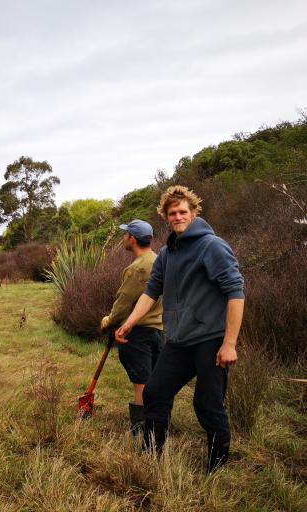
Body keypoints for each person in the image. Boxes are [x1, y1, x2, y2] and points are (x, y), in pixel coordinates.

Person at [116, 186, 245, 473]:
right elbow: (151, 292)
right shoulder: (167, 254)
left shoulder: (212, 246)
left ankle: (217, 467)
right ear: (165, 216)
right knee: (155, 392)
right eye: (172, 213)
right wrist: (129, 322)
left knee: (207, 405)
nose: (177, 216)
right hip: (179, 340)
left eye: (183, 211)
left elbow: (236, 292)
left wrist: (230, 343)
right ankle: (151, 457)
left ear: (194, 212)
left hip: (211, 340)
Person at [100, 219, 164, 435]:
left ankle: (142, 431)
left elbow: (123, 301)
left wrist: (109, 321)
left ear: (132, 239)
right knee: (155, 381)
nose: (123, 238)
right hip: (158, 330)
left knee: (142, 383)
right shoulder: (158, 260)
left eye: (125, 234)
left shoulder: (137, 268)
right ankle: (157, 425)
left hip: (137, 333)